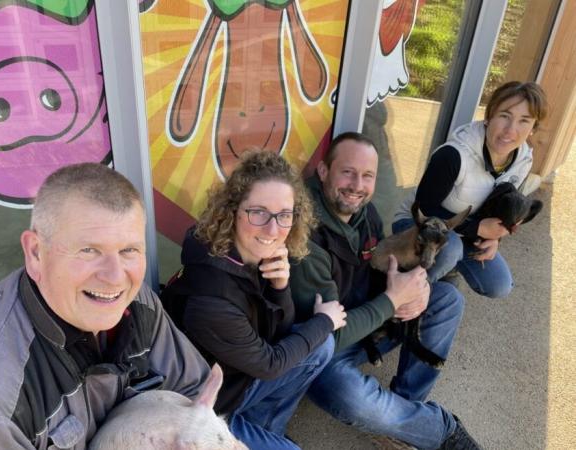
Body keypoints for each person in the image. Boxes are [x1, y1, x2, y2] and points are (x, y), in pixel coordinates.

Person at [0, 163, 211, 450]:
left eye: (129, 250)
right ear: (35, 253)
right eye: (89, 250)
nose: (114, 276)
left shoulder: (136, 301)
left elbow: (191, 393)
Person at [289, 132, 481, 449]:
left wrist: (411, 293)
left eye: (367, 176)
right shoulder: (304, 235)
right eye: (347, 172)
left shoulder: (367, 214)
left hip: (370, 320)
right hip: (325, 348)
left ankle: (403, 413)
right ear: (324, 171)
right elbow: (324, 336)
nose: (357, 185)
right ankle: (440, 430)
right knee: (346, 395)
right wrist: (392, 302)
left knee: (448, 300)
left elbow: (381, 273)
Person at [161, 151, 346, 450]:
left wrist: (280, 286)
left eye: (284, 215)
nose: (273, 230)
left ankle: (265, 430)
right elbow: (270, 364)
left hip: (238, 377)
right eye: (258, 212)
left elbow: (279, 332)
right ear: (233, 210)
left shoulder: (250, 254)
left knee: (321, 346)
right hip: (205, 408)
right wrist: (324, 320)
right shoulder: (211, 299)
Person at [393, 81, 548, 297]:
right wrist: (476, 229)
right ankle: (401, 295)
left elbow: (501, 207)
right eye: (504, 116)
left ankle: (441, 271)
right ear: (489, 117)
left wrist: (495, 238)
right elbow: (426, 208)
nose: (511, 130)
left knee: (499, 285)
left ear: (533, 128)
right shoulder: (453, 154)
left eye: (524, 121)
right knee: (451, 249)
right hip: (416, 224)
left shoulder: (523, 159)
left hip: (461, 232)